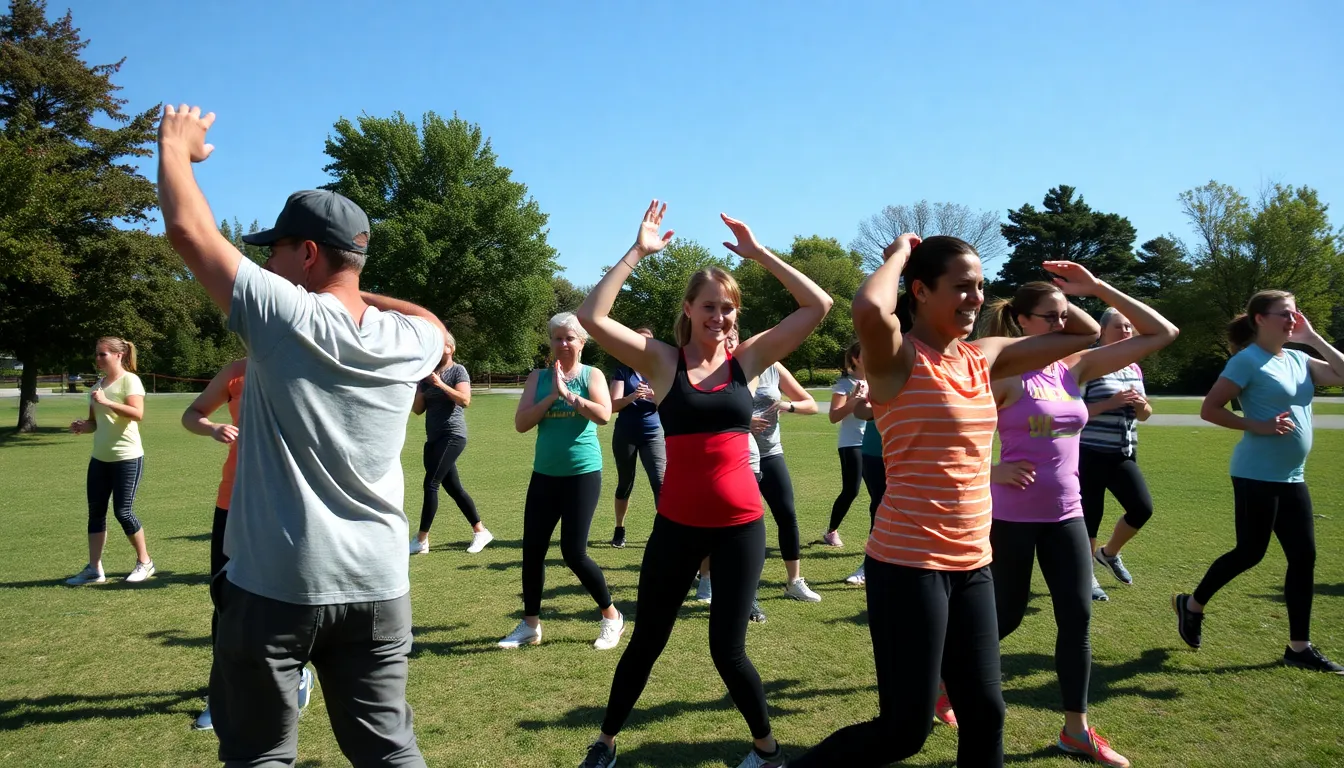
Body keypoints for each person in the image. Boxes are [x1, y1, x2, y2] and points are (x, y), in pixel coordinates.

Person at [158, 104, 446, 766]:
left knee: (259, 754)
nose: (268, 264)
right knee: (389, 752)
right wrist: (361, 293)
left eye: (277, 250)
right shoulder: (412, 340)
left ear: (308, 254)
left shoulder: (287, 319)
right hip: (378, 584)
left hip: (277, 585)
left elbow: (187, 229)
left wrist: (175, 147)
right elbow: (432, 320)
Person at [790, 234, 1099, 768]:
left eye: (980, 287)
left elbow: (1083, 332)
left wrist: (1085, 289)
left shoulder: (984, 358)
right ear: (919, 290)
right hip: (908, 566)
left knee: (986, 714)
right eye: (960, 287)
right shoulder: (896, 359)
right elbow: (868, 307)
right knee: (903, 732)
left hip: (974, 563)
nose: (976, 298)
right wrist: (897, 255)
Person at [575, 201, 832, 768]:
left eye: (728, 308)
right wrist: (636, 253)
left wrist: (759, 253)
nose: (720, 316)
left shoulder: (748, 359)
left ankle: (767, 751)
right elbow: (592, 317)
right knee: (647, 641)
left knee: (728, 651)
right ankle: (606, 741)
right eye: (710, 307)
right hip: (677, 527)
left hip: (741, 528)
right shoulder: (664, 362)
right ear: (689, 309)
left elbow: (819, 305)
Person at [981, 267, 1178, 768]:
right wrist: (993, 469)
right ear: (1021, 320)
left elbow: (1162, 333)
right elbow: (952, 435)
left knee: (1077, 619)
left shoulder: (1074, 368)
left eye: (1066, 315)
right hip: (1013, 516)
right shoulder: (1000, 372)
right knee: (1003, 617)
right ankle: (942, 681)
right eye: (1051, 316)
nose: (1063, 323)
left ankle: (1076, 731)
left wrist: (1096, 290)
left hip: (1069, 513)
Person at [1175, 290, 1344, 674]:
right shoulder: (1247, 361)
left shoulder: (1300, 359)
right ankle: (1193, 605)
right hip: (1255, 473)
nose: (1292, 319)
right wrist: (1259, 425)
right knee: (1250, 552)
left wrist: (1313, 338)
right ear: (1259, 319)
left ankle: (1298, 647)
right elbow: (1210, 409)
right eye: (1284, 313)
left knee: (1304, 557)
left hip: (1292, 475)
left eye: (1295, 312)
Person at [181, 359, 314, 731]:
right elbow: (192, 414)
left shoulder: (307, 363)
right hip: (235, 502)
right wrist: (211, 427)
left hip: (292, 503)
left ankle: (295, 674)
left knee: (292, 597)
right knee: (226, 602)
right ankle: (222, 695)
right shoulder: (234, 371)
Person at [497, 312, 622, 651]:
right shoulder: (537, 378)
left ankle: (611, 616)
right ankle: (530, 625)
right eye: (557, 338)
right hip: (544, 475)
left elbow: (604, 415)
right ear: (550, 342)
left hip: (582, 474)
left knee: (574, 552)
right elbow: (522, 424)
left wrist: (570, 395)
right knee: (532, 551)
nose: (563, 343)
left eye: (570, 338)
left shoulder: (591, 375)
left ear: (582, 343)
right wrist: (551, 394)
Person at [66, 336, 155, 585]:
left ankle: (145, 562)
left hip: (127, 457)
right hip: (100, 459)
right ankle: (95, 570)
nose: (97, 358)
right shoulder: (98, 385)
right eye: (96, 353)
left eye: (102, 354)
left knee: (123, 512)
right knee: (96, 513)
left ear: (119, 355)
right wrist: (83, 426)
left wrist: (107, 401)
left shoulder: (131, 381)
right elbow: (96, 423)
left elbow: (137, 414)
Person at [1080, 308, 1157, 597]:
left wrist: (1141, 406)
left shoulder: (1133, 367)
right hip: (1089, 452)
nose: (1126, 331)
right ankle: (1086, 577)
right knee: (1090, 515)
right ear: (1101, 331)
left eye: (1129, 327)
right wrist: (1110, 402)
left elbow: (1146, 413)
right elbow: (1072, 413)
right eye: (1119, 326)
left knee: (1141, 508)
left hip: (1123, 453)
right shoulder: (1087, 364)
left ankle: (1109, 553)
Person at [410, 334, 492, 555]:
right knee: (454, 489)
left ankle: (421, 540)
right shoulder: (427, 373)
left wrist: (439, 384)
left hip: (452, 435)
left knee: (431, 484)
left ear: (451, 348)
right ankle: (481, 531)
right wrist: (418, 385)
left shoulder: (458, 371)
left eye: (442, 343)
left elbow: (465, 400)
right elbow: (418, 410)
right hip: (433, 438)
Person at [750, 356, 823, 602]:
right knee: (741, 523)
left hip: (771, 453)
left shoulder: (772, 366)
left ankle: (794, 582)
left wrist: (786, 405)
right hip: (739, 456)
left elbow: (810, 404)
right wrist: (742, 422)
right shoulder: (730, 366)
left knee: (787, 514)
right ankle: (710, 579)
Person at [608, 326, 666, 548]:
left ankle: (663, 532)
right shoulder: (623, 370)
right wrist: (633, 396)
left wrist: (654, 396)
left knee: (660, 484)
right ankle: (619, 529)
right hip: (626, 434)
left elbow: (671, 402)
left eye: (648, 342)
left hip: (653, 433)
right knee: (625, 483)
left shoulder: (659, 370)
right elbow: (613, 405)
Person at [823, 342, 869, 548]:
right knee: (851, 490)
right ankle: (831, 531)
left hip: (876, 444)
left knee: (883, 491)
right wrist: (851, 402)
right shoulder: (845, 383)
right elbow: (833, 416)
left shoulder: (879, 381)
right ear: (855, 359)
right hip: (852, 444)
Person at [843, 389, 881, 587]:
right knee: (880, 510)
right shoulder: (888, 370)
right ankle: (869, 566)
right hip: (876, 453)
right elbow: (861, 410)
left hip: (912, 454)